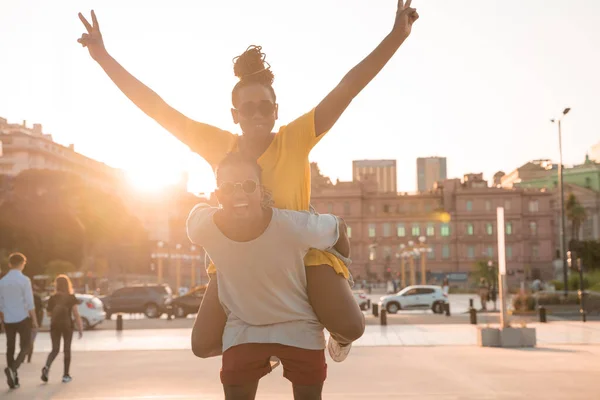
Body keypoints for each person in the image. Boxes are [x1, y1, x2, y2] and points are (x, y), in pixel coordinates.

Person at [77, 1, 419, 360]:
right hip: (238, 256)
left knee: (352, 326)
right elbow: (156, 107)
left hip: (298, 253)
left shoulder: (297, 137)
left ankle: (330, 337)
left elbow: (348, 86)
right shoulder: (218, 145)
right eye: (248, 108)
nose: (257, 114)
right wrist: (102, 57)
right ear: (234, 114)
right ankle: (266, 346)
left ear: (275, 110)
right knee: (203, 345)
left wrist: (397, 35)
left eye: (264, 107)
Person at [187, 153, 350, 399]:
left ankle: (341, 338)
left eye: (248, 186)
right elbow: (197, 216)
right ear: (218, 195)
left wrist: (341, 279)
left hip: (298, 326)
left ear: (261, 193)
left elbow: (339, 228)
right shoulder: (202, 225)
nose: (239, 194)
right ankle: (267, 357)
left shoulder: (293, 225)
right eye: (229, 188)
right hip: (243, 328)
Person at [0, 252, 39, 389]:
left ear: (10, 264)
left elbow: (0, 303)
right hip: (23, 318)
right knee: (26, 346)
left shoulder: (2, 282)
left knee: (10, 348)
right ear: (22, 264)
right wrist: (34, 320)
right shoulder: (24, 280)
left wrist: (2, 320)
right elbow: (30, 303)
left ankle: (14, 379)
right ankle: (13, 368)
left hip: (8, 319)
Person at [41, 274, 84, 384]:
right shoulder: (71, 297)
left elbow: (49, 314)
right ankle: (66, 375)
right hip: (67, 325)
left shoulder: (52, 298)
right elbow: (76, 314)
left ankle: (46, 367)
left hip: (55, 325)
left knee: (55, 349)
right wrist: (80, 328)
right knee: (66, 349)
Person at [27, 283, 45, 363]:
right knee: (31, 341)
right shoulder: (37, 298)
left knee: (25, 340)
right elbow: (42, 311)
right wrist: (39, 322)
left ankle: (24, 356)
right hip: (34, 322)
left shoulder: (25, 298)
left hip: (25, 322)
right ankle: (28, 358)